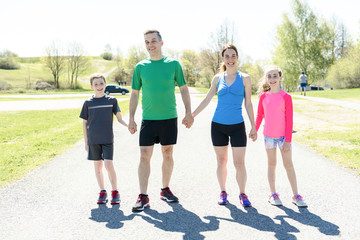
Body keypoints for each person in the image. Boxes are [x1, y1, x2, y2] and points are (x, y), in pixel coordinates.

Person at [128, 30, 194, 212]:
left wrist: (189, 112)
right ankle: (143, 196)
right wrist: (131, 118)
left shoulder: (173, 64)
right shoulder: (140, 67)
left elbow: (184, 89)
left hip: (169, 118)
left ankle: (165, 189)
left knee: (167, 153)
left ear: (161, 42)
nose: (150, 45)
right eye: (147, 42)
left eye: (154, 41)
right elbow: (134, 94)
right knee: (144, 156)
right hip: (148, 119)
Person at [192, 44, 257, 207]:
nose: (230, 59)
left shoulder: (245, 79)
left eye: (233, 56)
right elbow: (207, 99)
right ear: (223, 59)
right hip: (218, 126)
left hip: (237, 126)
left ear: (237, 57)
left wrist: (253, 126)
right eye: (227, 56)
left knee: (239, 163)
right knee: (221, 161)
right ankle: (223, 191)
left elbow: (248, 104)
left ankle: (242, 194)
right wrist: (191, 115)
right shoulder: (217, 78)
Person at [256, 66, 307, 207]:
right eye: (269, 76)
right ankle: (273, 194)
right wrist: (254, 130)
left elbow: (289, 120)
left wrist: (288, 140)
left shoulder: (286, 97)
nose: (272, 79)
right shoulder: (263, 97)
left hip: (284, 138)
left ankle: (296, 195)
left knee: (288, 164)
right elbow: (260, 115)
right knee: (271, 164)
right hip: (268, 137)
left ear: (280, 78)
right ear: (266, 79)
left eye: (275, 76)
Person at [80, 73, 128, 205]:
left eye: (101, 83)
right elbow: (84, 123)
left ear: (105, 84)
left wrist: (128, 125)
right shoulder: (88, 103)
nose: (99, 86)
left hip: (107, 139)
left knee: (108, 164)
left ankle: (115, 192)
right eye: (96, 84)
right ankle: (102, 192)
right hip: (93, 140)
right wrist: (86, 141)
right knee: (98, 166)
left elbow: (119, 118)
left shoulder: (111, 101)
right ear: (92, 87)